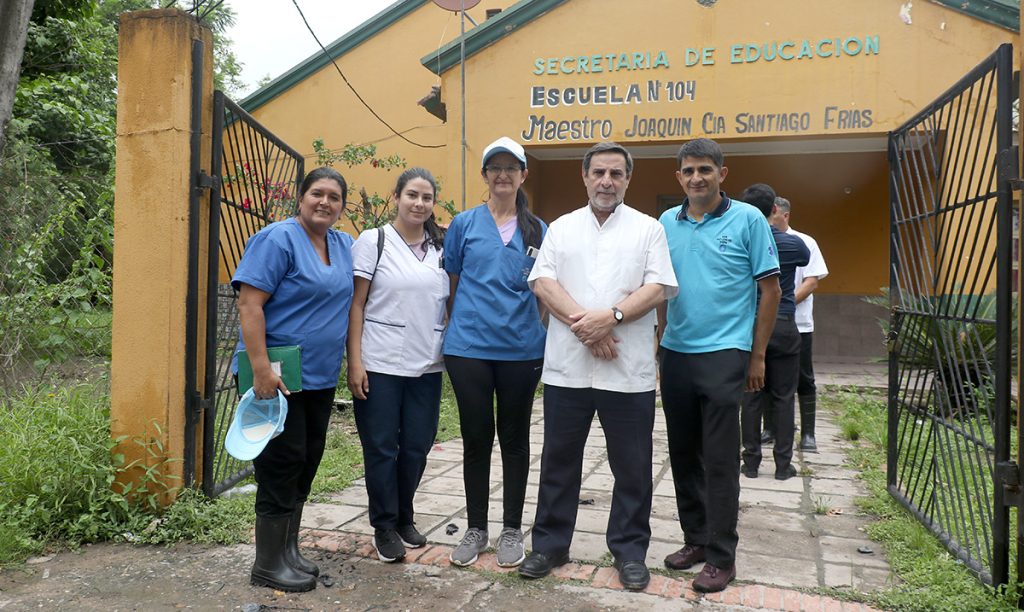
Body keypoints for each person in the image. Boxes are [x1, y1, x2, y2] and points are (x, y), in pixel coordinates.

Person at [518, 141, 678, 592]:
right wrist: (589, 326)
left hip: (627, 371)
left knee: (633, 466)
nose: (607, 181)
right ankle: (550, 545)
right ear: (585, 177)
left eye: (616, 174)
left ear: (628, 179)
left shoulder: (648, 229)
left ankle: (629, 551)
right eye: (599, 173)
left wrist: (613, 317)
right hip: (568, 369)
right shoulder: (562, 228)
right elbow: (542, 282)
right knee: (558, 461)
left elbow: (658, 287)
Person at [657, 138, 780, 593]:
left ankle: (722, 556)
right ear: (679, 177)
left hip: (726, 353)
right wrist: (660, 342)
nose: (696, 178)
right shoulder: (666, 222)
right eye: (689, 171)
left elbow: (771, 290)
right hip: (676, 353)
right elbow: (660, 286)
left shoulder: (748, 220)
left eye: (705, 169)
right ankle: (696, 539)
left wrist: (757, 355)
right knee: (683, 453)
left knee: (721, 459)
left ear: (721, 174)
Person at [233, 167, 354, 592]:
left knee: (307, 459)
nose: (325, 202)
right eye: (317, 193)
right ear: (301, 198)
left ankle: (288, 551)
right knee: (280, 463)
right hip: (274, 376)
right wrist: (261, 369)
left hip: (317, 377)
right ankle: (267, 563)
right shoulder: (277, 239)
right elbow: (249, 304)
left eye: (334, 197)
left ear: (341, 206)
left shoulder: (342, 245)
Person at [443, 136, 547, 568]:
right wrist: (465, 324)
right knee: (476, 437)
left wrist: (529, 327)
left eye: (511, 168)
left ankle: (511, 529)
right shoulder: (464, 225)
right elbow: (451, 284)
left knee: (515, 438)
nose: (503, 175)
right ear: (485, 175)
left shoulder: (538, 229)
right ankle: (476, 528)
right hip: (469, 348)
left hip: (521, 350)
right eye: (495, 168)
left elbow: (543, 291)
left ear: (523, 175)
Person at [347, 168, 450, 563]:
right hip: (381, 363)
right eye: (412, 195)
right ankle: (384, 525)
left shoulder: (441, 247)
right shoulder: (374, 241)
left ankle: (404, 515)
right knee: (381, 447)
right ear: (396, 197)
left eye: (426, 197)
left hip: (428, 365)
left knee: (417, 446)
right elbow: (357, 304)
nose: (419, 204)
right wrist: (355, 362)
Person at [738, 184, 809, 481]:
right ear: (775, 209)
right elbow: (805, 258)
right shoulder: (792, 243)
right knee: (783, 397)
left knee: (751, 396)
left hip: (750, 325)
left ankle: (751, 463)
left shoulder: (741, 243)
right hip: (782, 324)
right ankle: (783, 465)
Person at [774, 197, 829, 451]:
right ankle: (769, 428)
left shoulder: (806, 242)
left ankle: (808, 434)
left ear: (785, 215)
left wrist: (782, 303)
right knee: (765, 378)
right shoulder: (763, 240)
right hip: (768, 321)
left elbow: (811, 281)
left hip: (799, 322)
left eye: (773, 213)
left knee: (803, 377)